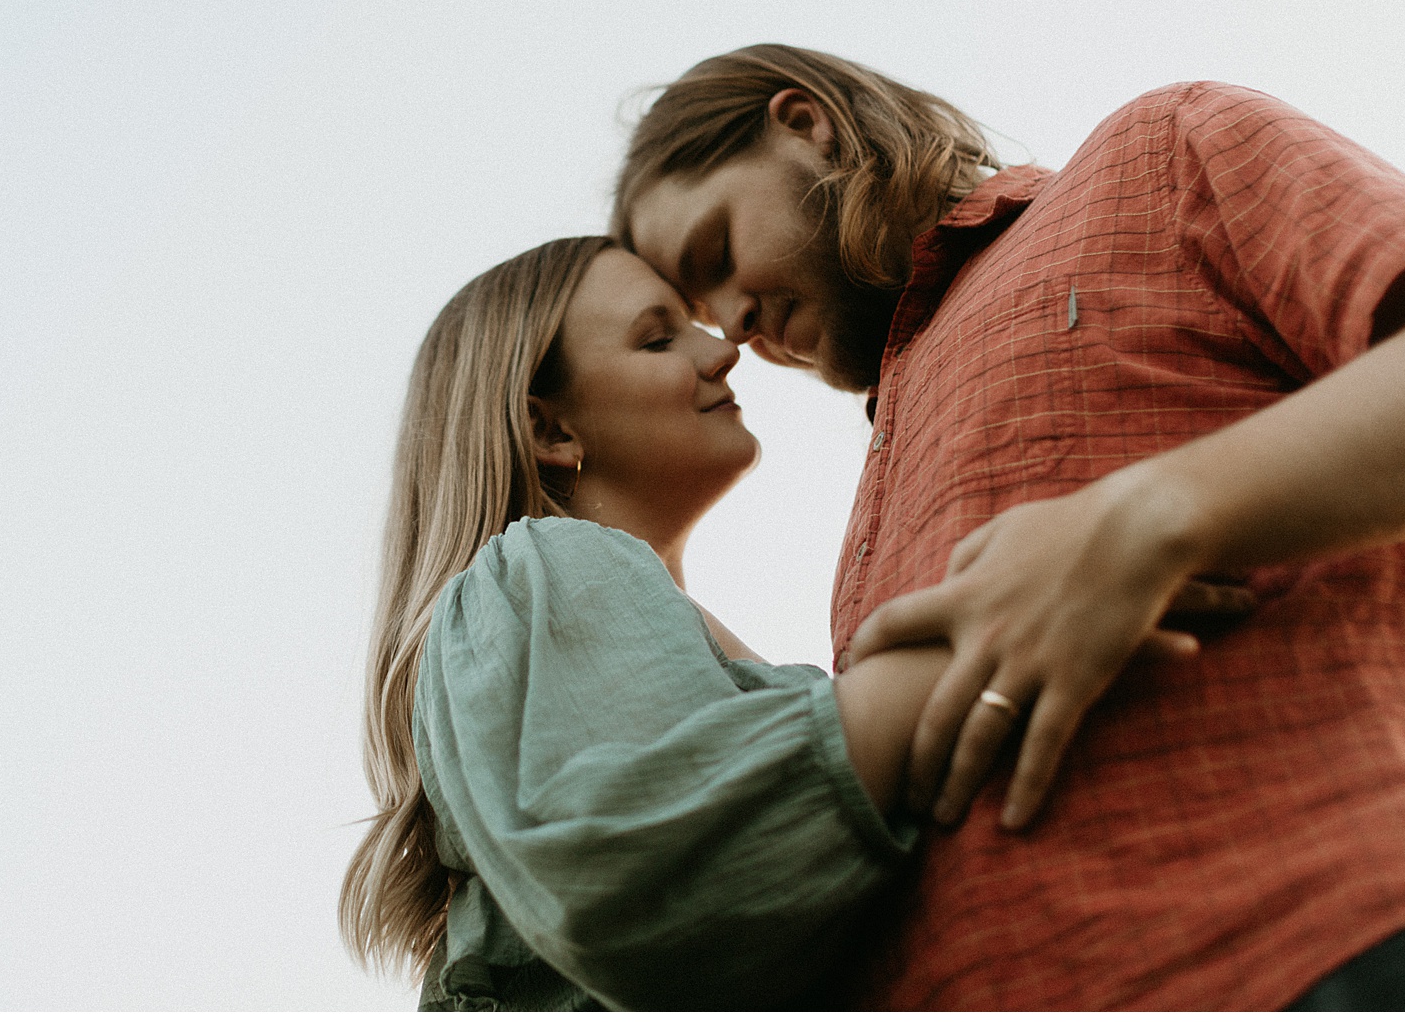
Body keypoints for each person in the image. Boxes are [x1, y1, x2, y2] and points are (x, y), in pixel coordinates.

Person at [614, 44, 1405, 1010]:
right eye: (695, 314)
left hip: (1334, 946)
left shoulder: (1158, 150)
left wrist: (1146, 520)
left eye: (714, 254)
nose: (734, 326)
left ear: (806, 125)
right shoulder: (875, 480)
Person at [336, 236, 1237, 1010]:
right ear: (548, 429)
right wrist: (1010, 624)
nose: (720, 349)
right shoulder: (550, 560)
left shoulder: (632, 619)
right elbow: (636, 868)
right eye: (658, 339)